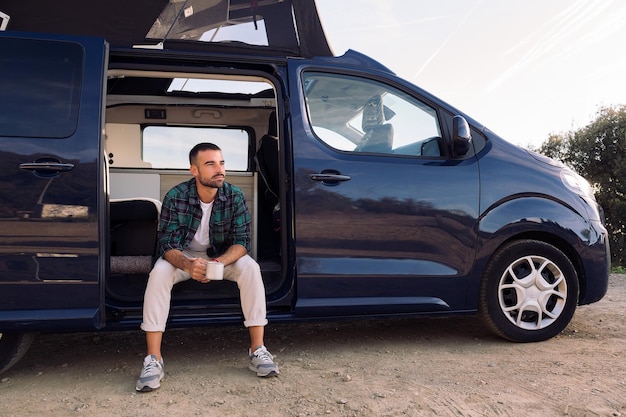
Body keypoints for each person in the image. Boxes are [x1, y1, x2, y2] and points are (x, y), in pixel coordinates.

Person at [136, 142, 279, 392]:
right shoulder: (176, 196)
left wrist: (218, 263)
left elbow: (242, 242)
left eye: (222, 163)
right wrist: (190, 266)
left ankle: (258, 349)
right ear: (194, 170)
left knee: (251, 268)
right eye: (210, 164)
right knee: (158, 272)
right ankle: (153, 358)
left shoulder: (234, 195)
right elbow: (166, 244)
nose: (219, 169)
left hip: (221, 257)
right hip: (183, 256)